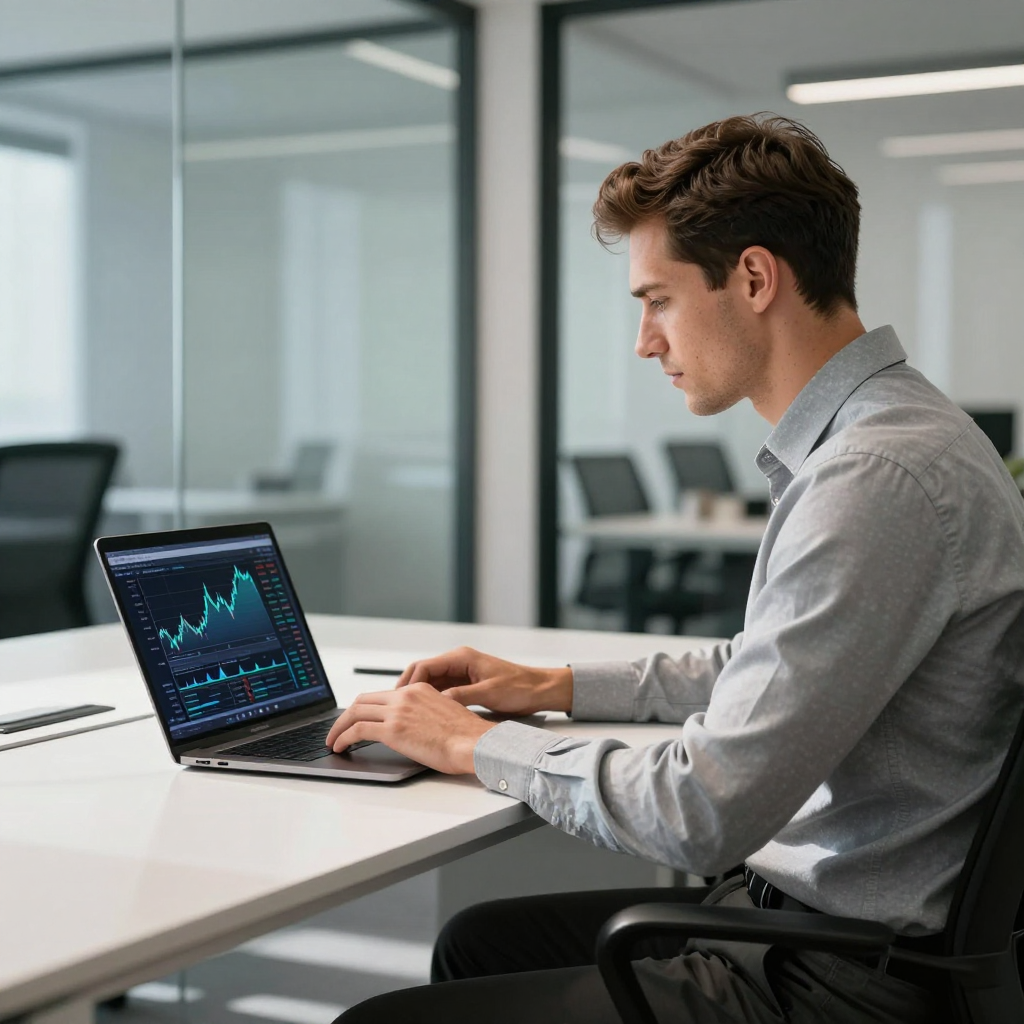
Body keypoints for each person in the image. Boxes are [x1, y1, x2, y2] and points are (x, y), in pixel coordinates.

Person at [327, 114, 1024, 1023]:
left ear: (754, 277)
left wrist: (470, 743)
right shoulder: (889, 436)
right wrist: (550, 684)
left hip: (839, 978)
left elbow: (702, 811)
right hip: (825, 929)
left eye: (656, 299)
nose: (645, 341)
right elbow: (767, 667)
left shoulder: (875, 475)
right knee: (478, 941)